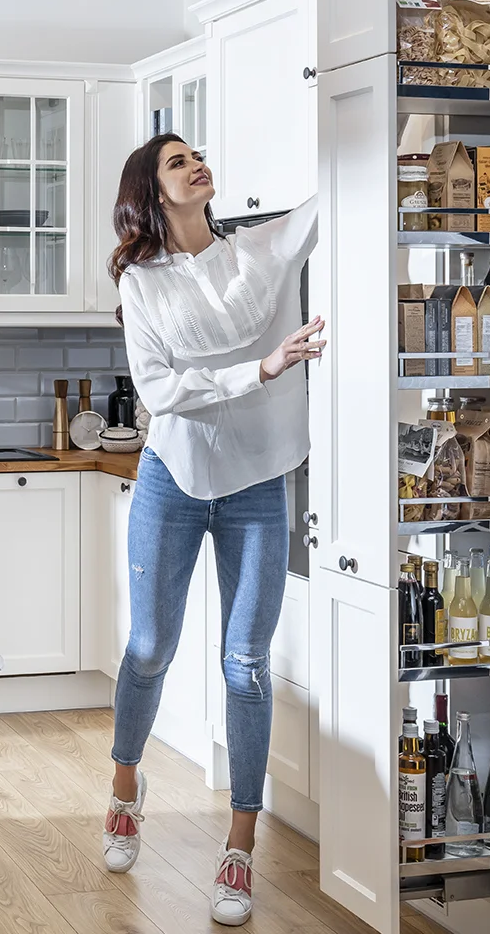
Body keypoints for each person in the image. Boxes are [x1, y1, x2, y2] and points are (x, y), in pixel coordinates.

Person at [103, 133, 325, 927]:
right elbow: (161, 391)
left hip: (259, 480)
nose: (197, 163)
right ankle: (126, 784)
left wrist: (387, 108)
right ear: (154, 192)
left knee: (246, 664)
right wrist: (260, 369)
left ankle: (239, 849)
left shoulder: (260, 253)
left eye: (197, 154)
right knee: (150, 648)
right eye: (176, 161)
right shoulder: (143, 283)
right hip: (174, 477)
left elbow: (336, 192)